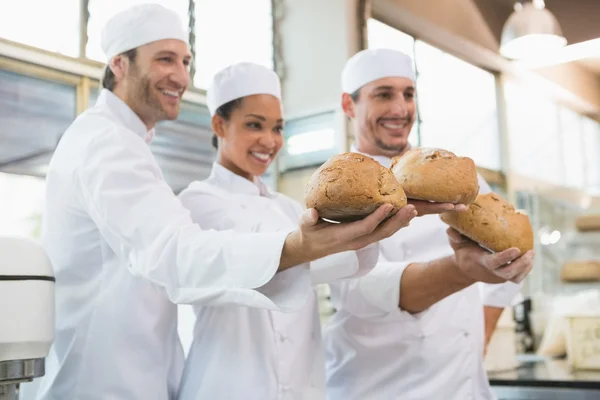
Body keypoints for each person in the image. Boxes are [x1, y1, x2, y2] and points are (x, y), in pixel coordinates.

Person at [32, 6, 417, 399]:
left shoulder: (125, 144)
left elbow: (301, 267)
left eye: (185, 61)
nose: (181, 76)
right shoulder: (107, 143)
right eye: (165, 59)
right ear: (119, 64)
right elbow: (174, 253)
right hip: (97, 383)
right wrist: (299, 246)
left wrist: (368, 229)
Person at [322, 48, 536, 400]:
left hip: (464, 384)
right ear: (348, 105)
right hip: (381, 387)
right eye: (384, 94)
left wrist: (480, 332)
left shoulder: (452, 175)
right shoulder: (343, 186)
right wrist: (464, 270)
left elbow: (509, 244)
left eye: (408, 94)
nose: (400, 108)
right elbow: (361, 291)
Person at [175, 62, 394, 399]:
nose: (269, 140)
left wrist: (374, 224)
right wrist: (329, 241)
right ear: (220, 124)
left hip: (300, 383)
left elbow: (335, 265)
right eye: (254, 125)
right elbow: (260, 257)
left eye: (277, 128)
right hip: (226, 383)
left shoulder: (289, 207)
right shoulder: (196, 201)